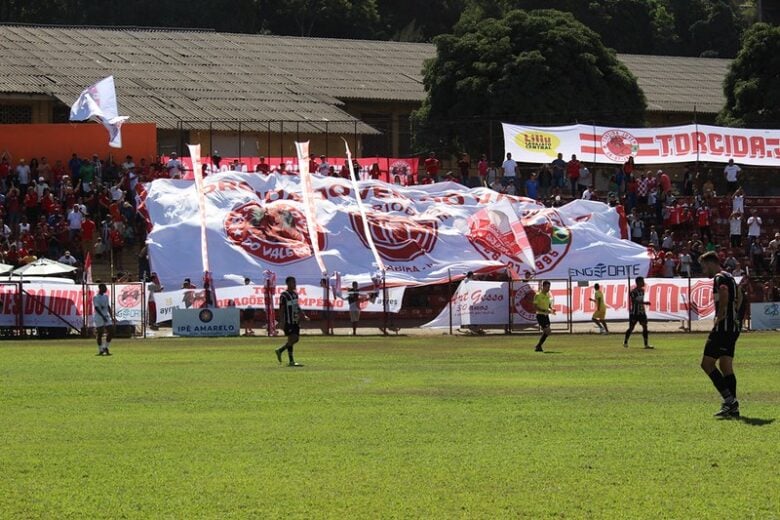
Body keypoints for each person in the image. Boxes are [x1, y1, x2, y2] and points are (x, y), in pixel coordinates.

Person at [699, 251, 742, 418]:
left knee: (707, 364)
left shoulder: (719, 277)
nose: (704, 271)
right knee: (725, 366)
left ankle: (729, 400)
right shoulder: (730, 276)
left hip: (724, 327)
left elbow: (724, 293)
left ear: (710, 263)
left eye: (704, 266)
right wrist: (735, 312)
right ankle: (733, 408)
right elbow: (740, 295)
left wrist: (721, 315)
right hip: (733, 327)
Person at [274, 276, 307, 367]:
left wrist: (303, 314)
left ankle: (285, 356)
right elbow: (281, 308)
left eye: (295, 282)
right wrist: (281, 321)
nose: (295, 284)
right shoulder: (284, 295)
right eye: (293, 282)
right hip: (288, 321)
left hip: (295, 320)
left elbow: (297, 306)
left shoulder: (295, 294)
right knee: (294, 338)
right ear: (288, 283)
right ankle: (285, 355)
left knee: (294, 339)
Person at [623, 276, 653, 349]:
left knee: (645, 327)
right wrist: (644, 303)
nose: (644, 283)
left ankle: (646, 344)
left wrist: (643, 304)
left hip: (642, 312)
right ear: (638, 282)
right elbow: (634, 301)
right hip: (634, 313)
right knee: (631, 328)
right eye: (642, 281)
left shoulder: (642, 290)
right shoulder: (633, 292)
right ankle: (625, 342)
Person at [93, 282, 115, 356]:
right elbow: (96, 308)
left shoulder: (106, 296)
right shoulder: (96, 297)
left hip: (106, 316)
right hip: (99, 317)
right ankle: (100, 349)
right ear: (100, 288)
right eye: (104, 287)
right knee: (100, 333)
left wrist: (112, 316)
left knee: (111, 331)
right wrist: (102, 317)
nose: (105, 289)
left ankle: (106, 347)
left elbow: (108, 306)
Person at [532, 281, 555, 352]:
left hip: (546, 316)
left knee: (547, 332)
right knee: (547, 330)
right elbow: (535, 307)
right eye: (547, 287)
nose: (548, 288)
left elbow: (548, 305)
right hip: (540, 315)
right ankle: (538, 346)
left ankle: (538, 346)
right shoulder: (538, 295)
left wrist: (551, 308)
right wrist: (544, 310)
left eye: (549, 287)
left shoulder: (547, 295)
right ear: (543, 286)